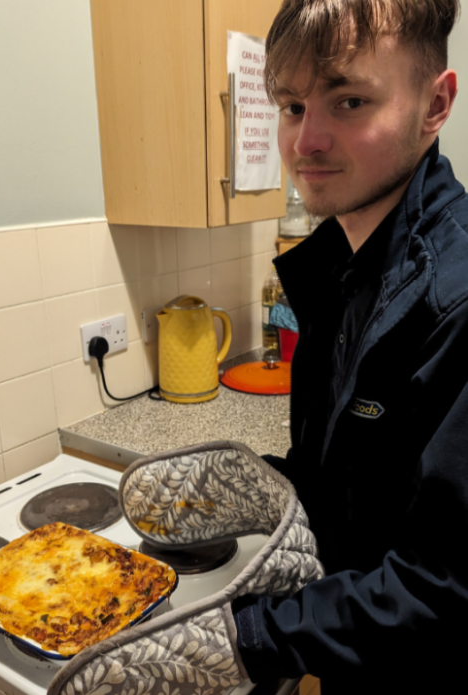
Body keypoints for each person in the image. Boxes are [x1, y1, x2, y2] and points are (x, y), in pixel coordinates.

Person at [229, 1, 468, 692]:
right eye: (294, 106)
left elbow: (442, 584)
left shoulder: (456, 301)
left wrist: (247, 635)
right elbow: (352, 490)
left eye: (350, 101)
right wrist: (251, 489)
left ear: (435, 103)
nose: (306, 140)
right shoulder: (342, 268)